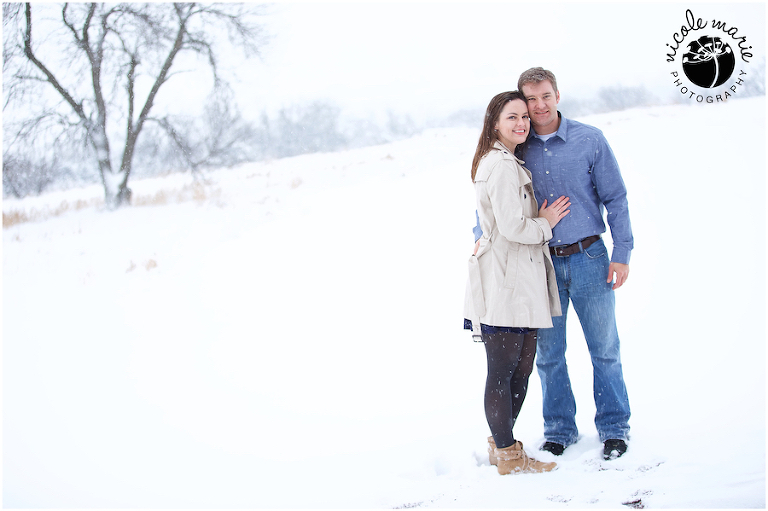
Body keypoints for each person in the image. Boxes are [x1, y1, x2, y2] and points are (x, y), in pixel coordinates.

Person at [474, 68, 634, 461]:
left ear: (557, 95)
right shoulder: (517, 147)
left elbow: (615, 198)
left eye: (545, 96)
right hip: (539, 268)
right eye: (530, 100)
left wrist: (622, 253)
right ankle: (560, 429)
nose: (538, 106)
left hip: (590, 258)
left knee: (605, 349)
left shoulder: (588, 140)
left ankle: (614, 428)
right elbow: (497, 204)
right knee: (548, 355)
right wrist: (480, 235)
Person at [464, 91, 571, 475]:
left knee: (520, 367)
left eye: (524, 116)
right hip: (505, 279)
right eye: (512, 117)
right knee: (505, 369)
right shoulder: (502, 165)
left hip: (516, 278)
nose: (522, 123)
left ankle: (503, 448)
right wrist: (545, 223)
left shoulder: (505, 161)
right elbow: (511, 227)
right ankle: (509, 454)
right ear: (495, 122)